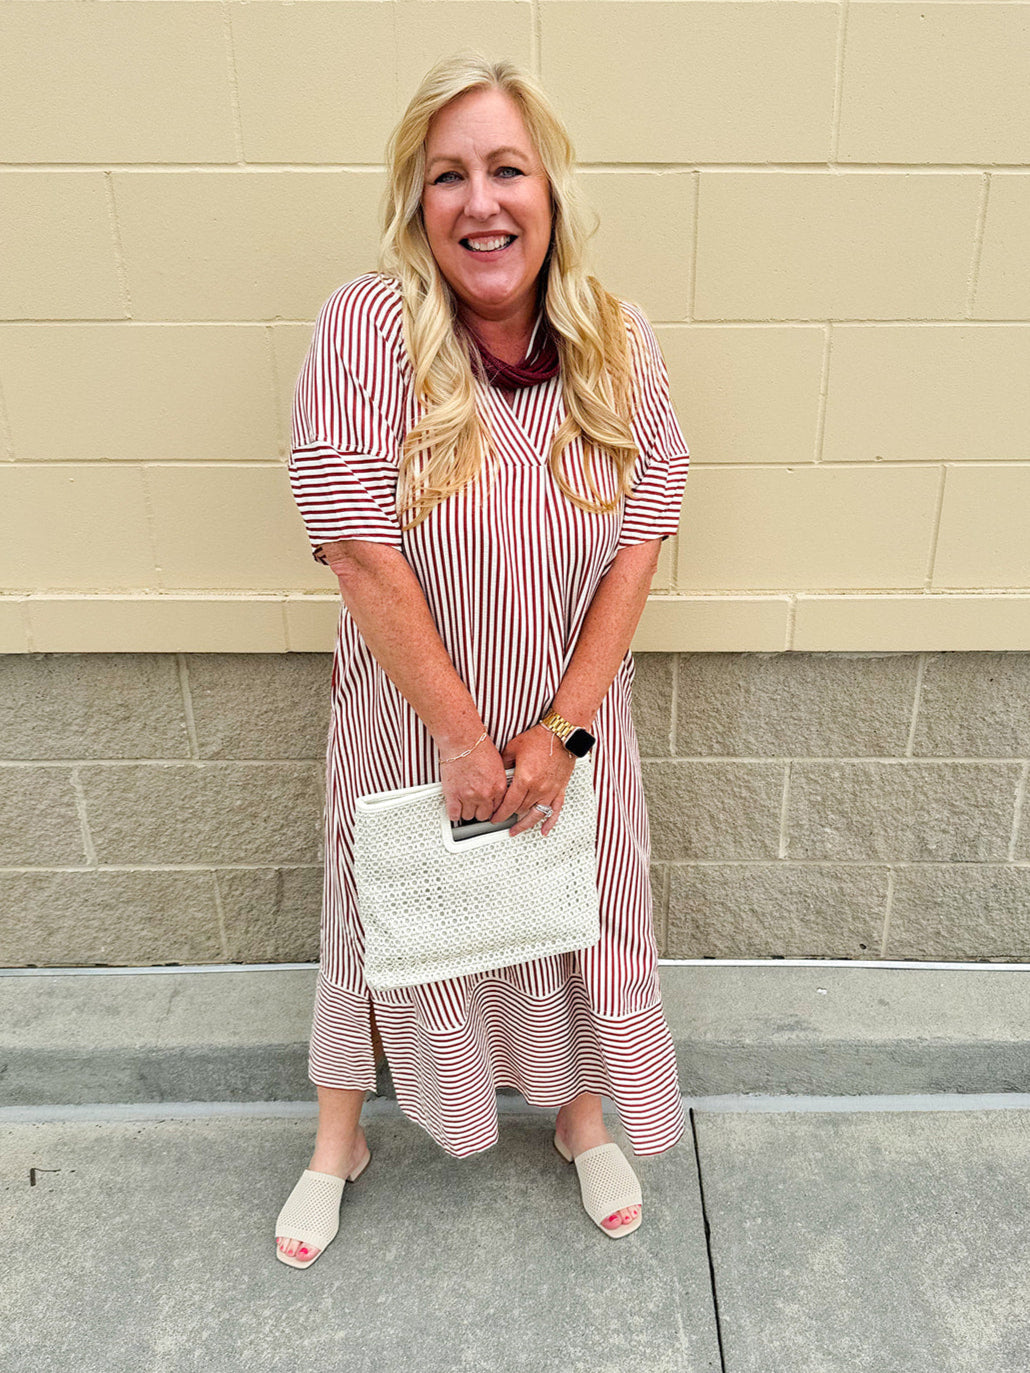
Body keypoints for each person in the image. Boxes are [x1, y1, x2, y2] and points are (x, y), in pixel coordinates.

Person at [275, 52, 690, 1268]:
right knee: (379, 924)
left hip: (570, 726)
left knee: (583, 912)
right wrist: (461, 737)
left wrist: (559, 733)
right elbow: (354, 542)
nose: (480, 201)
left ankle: (579, 1114)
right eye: (446, 175)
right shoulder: (367, 330)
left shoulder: (619, 342)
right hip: (412, 724)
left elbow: (639, 546)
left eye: (506, 167)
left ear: (549, 190)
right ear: (418, 204)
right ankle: (335, 1138)